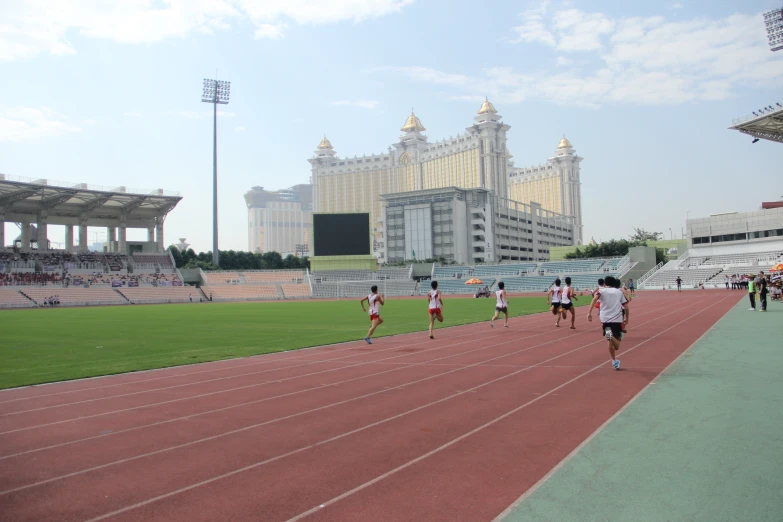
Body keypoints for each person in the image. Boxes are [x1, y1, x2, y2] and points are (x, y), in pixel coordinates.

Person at [587, 275, 630, 371]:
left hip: (605, 319)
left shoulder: (601, 291)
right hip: (617, 319)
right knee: (617, 346)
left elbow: (594, 299)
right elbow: (626, 306)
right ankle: (614, 360)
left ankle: (614, 360)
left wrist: (589, 313)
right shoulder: (619, 292)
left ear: (605, 283)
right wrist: (627, 318)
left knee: (609, 340)